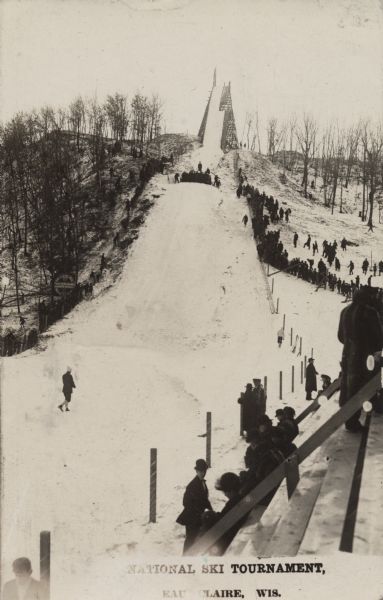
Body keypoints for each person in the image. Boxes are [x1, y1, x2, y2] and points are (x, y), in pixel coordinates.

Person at [338, 286, 383, 432]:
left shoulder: (344, 311)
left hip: (347, 355)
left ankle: (348, 416)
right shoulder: (369, 313)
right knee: (363, 387)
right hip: (365, 357)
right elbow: (379, 338)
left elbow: (340, 336)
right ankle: (353, 422)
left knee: (348, 387)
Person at [202, 472, 247, 555]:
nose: (225, 494)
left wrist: (211, 516)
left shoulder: (233, 503)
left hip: (226, 541)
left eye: (225, 491)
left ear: (230, 490)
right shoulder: (239, 499)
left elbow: (223, 523)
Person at [176, 459, 212, 554]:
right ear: (196, 471)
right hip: (191, 517)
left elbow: (204, 499)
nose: (202, 473)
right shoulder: (192, 485)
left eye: (204, 471)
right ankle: (185, 559)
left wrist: (211, 510)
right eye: (200, 471)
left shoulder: (202, 483)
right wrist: (198, 510)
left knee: (195, 539)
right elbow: (185, 502)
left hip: (198, 516)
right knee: (190, 540)